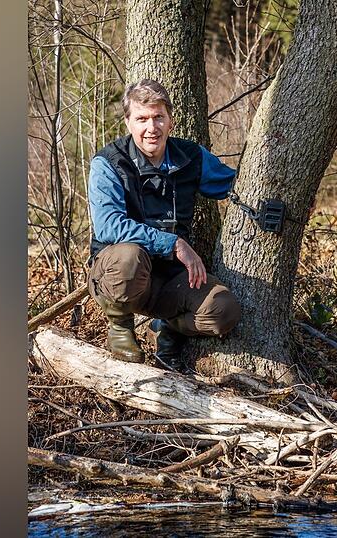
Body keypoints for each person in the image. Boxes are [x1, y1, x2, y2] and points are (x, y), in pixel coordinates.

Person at [87, 78, 242, 371]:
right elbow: (108, 225)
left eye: (159, 117)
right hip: (120, 274)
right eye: (142, 118)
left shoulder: (190, 157)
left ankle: (167, 325)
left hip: (171, 278)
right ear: (128, 122)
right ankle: (120, 326)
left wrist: (286, 199)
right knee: (128, 258)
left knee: (224, 311)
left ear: (170, 120)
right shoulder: (108, 163)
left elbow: (237, 185)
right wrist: (173, 243)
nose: (151, 127)